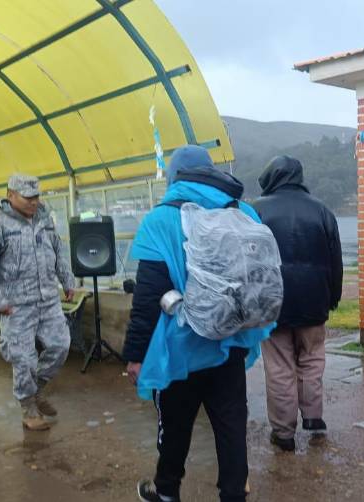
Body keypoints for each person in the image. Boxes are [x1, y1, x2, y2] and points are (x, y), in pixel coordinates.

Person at [124, 145, 272, 502]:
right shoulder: (245, 211)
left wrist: (135, 354)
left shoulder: (160, 219)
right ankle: (234, 494)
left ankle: (167, 491)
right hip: (230, 344)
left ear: (175, 177)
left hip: (179, 348)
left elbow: (148, 296)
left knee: (175, 426)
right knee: (231, 426)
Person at [252, 155, 343, 452]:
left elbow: (248, 261)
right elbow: (335, 261)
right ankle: (314, 417)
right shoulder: (323, 211)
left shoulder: (256, 210)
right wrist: (333, 297)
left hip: (272, 304)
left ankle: (284, 432)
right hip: (314, 300)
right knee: (313, 359)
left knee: (279, 366)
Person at [0, 174, 75, 431]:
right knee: (24, 359)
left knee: (61, 346)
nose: (33, 202)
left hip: (48, 299)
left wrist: (68, 280)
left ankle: (36, 390)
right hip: (15, 304)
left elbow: (58, 251)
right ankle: (28, 408)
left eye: (36, 197)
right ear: (10, 195)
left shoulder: (44, 219)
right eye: (27, 197)